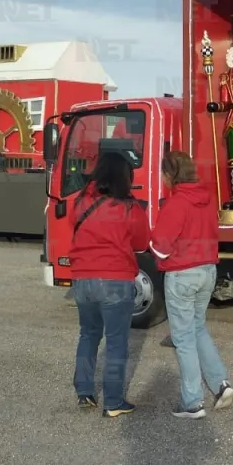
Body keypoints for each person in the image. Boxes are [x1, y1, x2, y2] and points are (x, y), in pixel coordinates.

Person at [151, 151, 233, 419]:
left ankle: (192, 403)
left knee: (183, 338)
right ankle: (221, 384)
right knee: (198, 329)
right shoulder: (207, 199)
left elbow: (161, 247)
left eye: (163, 173)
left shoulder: (176, 203)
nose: (161, 178)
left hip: (182, 274)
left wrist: (153, 248)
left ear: (170, 175)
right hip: (207, 269)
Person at [68, 152, 150, 416]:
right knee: (116, 341)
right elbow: (141, 243)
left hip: (82, 277)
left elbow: (74, 226)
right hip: (115, 278)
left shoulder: (80, 201)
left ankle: (84, 392)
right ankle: (113, 402)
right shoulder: (129, 207)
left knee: (88, 334)